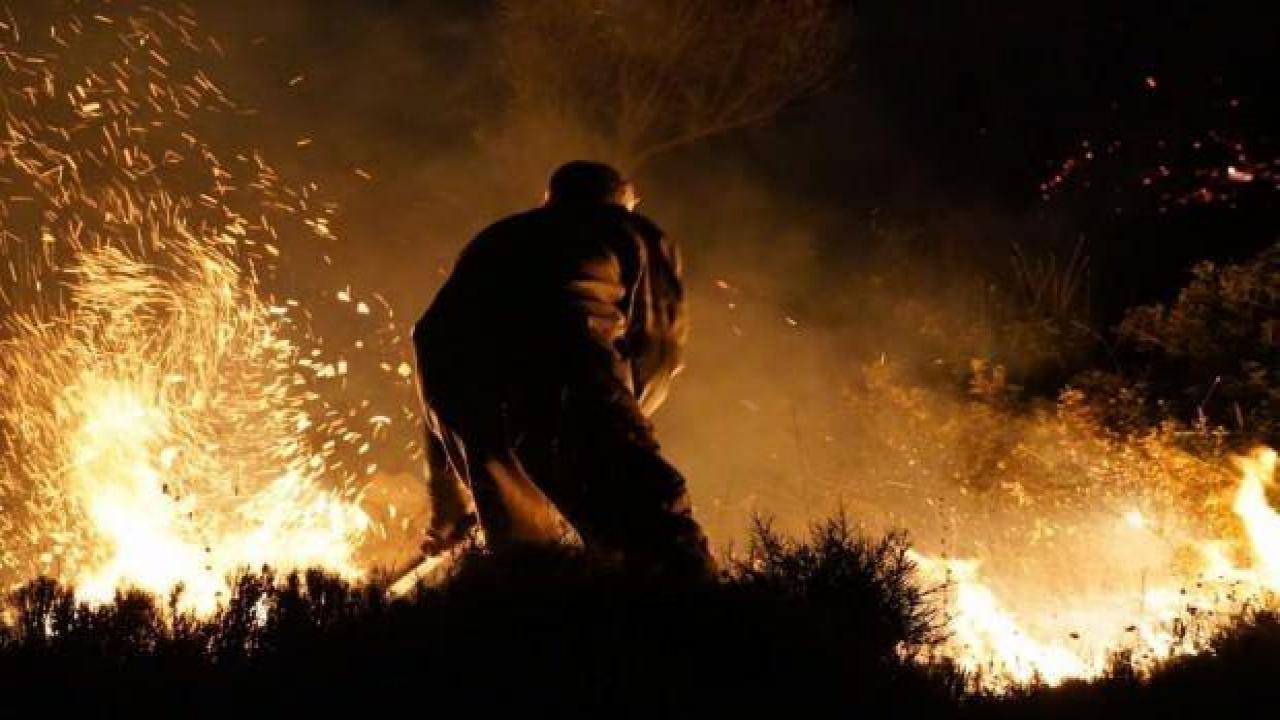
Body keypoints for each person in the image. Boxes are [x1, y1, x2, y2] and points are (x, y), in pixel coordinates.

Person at [412, 160, 713, 578]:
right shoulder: (627, 229)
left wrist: (447, 506)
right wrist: (622, 426)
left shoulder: (498, 237)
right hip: (558, 373)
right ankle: (705, 630)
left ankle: (533, 633)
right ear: (622, 198)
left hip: (456, 387)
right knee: (653, 524)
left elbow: (434, 348)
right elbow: (657, 346)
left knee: (526, 554)